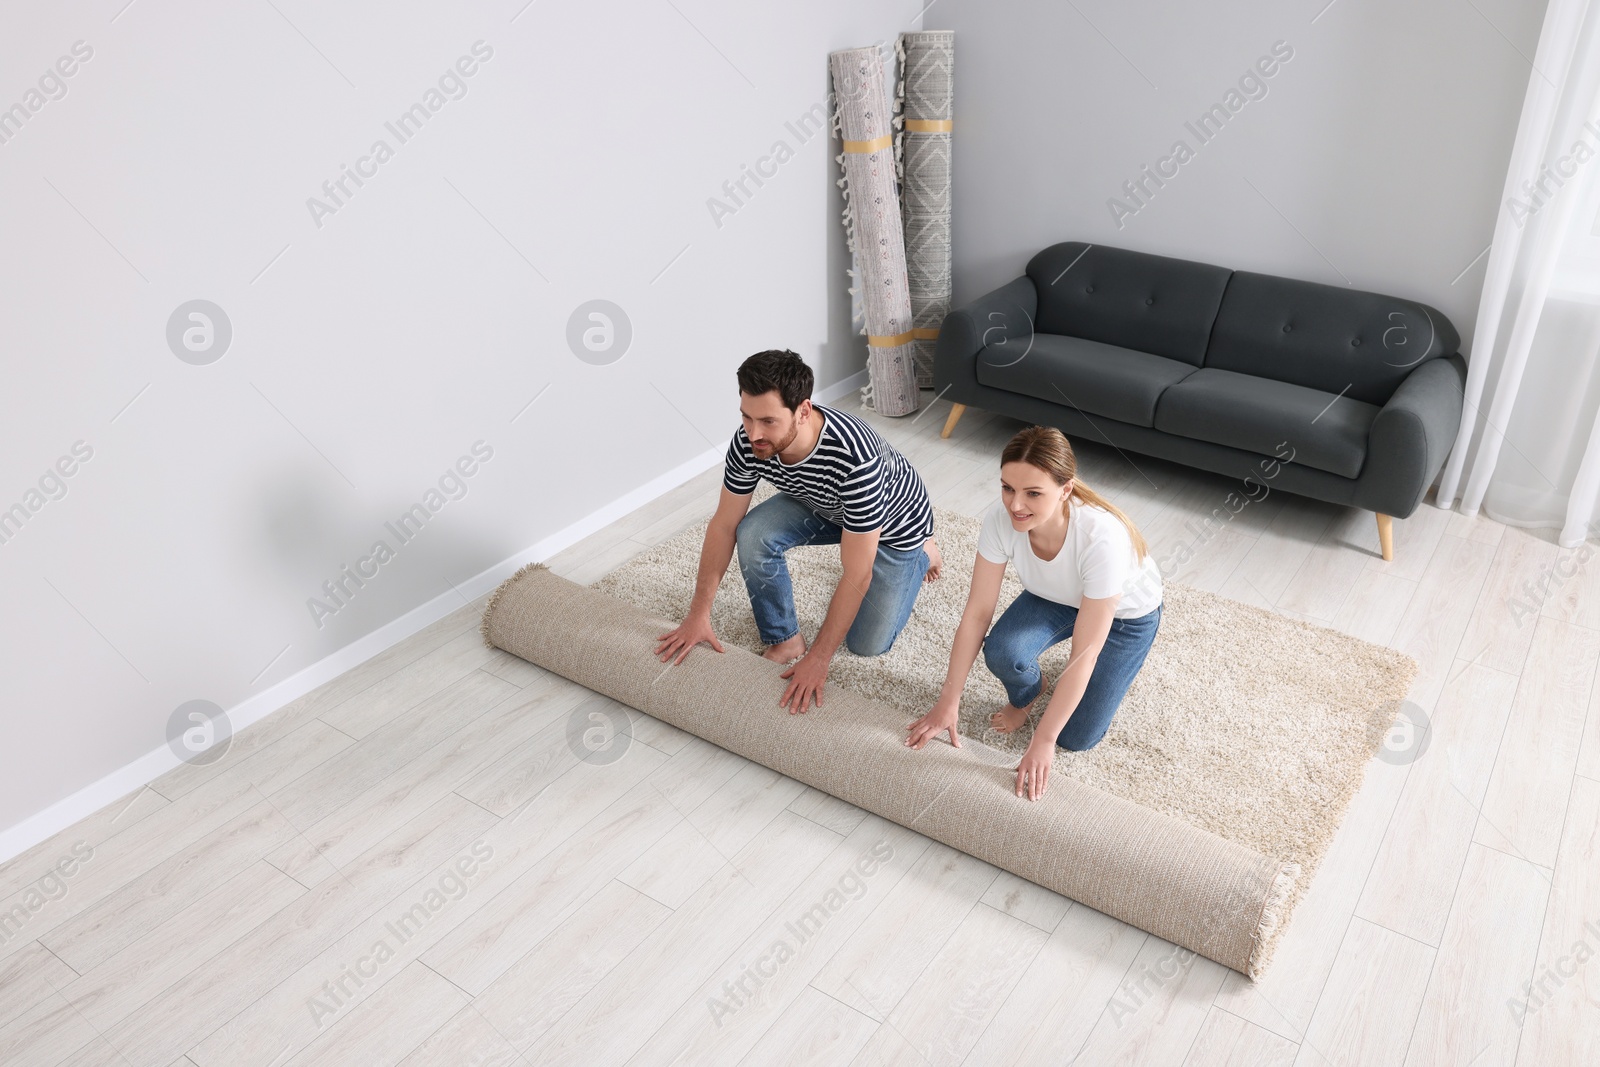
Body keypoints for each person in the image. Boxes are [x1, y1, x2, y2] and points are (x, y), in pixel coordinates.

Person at [655, 349, 943, 713]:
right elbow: (723, 524)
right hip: (821, 504)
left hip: (892, 525)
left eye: (768, 421)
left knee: (867, 644)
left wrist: (820, 659)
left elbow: (858, 572)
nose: (754, 433)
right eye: (746, 417)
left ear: (803, 411)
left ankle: (923, 551)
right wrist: (698, 614)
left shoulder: (857, 460)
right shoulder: (750, 440)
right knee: (752, 532)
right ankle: (786, 639)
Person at [905, 425, 1163, 801]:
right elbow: (977, 614)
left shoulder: (1101, 539)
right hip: (1055, 597)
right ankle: (1030, 692)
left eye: (1033, 493)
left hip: (1126, 618)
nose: (1015, 505)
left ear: (1065, 490)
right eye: (1008, 488)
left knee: (1073, 737)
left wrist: (1043, 739)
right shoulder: (1001, 520)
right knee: (1002, 651)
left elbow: (1085, 652)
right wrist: (949, 700)